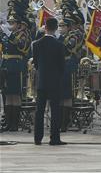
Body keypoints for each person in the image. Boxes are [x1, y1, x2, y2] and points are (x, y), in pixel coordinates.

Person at [32, 17, 67, 146]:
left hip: (41, 81)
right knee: (55, 110)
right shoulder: (59, 45)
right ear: (56, 28)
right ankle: (54, 138)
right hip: (55, 81)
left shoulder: (36, 44)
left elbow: (35, 63)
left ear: (45, 27)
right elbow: (62, 65)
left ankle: (37, 138)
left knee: (39, 110)